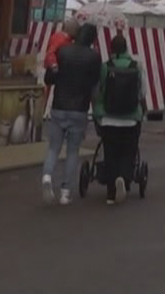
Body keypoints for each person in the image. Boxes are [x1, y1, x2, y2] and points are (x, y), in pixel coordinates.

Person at [42, 23, 101, 205]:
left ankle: (46, 177)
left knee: (53, 148)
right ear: (92, 39)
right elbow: (94, 87)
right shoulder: (94, 57)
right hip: (79, 110)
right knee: (73, 152)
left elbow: (49, 78)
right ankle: (65, 192)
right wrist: (96, 109)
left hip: (59, 106)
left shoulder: (63, 51)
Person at [92, 34, 144, 205]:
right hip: (131, 118)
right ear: (127, 48)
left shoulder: (105, 67)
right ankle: (124, 178)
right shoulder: (137, 66)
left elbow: (98, 92)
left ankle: (110, 193)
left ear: (111, 48)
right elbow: (141, 93)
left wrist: (97, 113)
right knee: (129, 151)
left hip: (109, 118)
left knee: (111, 153)